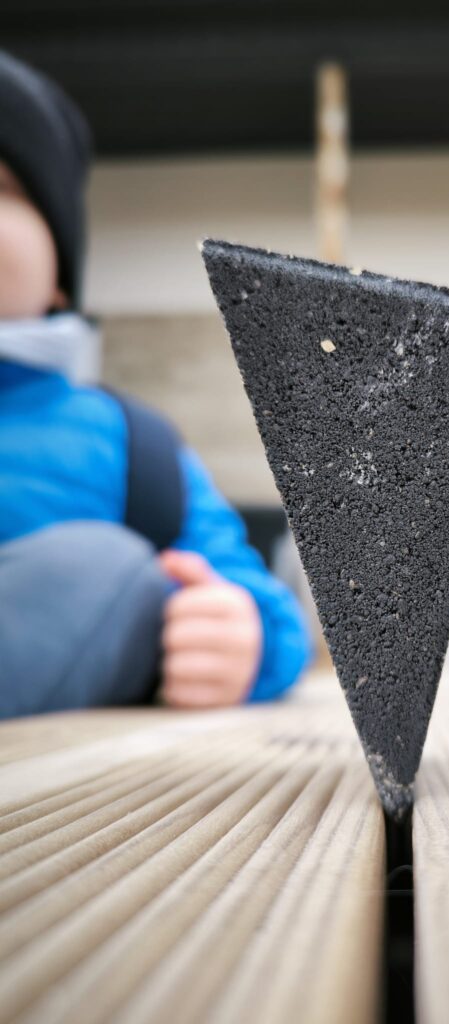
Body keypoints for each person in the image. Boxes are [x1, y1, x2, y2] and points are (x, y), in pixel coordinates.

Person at [0, 50, 312, 718]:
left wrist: (238, 639)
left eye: (3, 187)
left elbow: (256, 602)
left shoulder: (131, 445)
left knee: (98, 570)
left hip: (66, 764)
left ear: (61, 275)